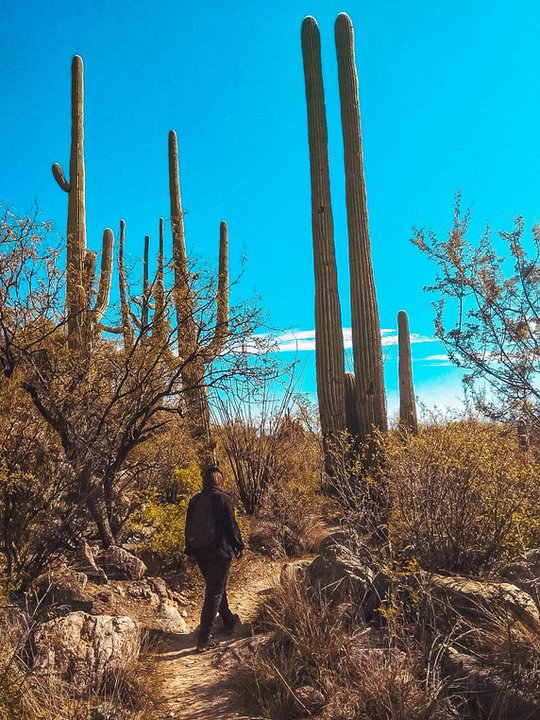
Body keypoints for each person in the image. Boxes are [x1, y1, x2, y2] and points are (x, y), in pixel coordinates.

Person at [184, 466, 244, 651]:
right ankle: (203, 638)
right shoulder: (222, 498)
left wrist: (190, 550)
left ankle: (227, 620)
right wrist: (238, 545)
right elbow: (230, 525)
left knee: (216, 585)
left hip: (200, 551)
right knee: (215, 591)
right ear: (219, 481)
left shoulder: (195, 500)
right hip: (219, 551)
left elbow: (188, 526)